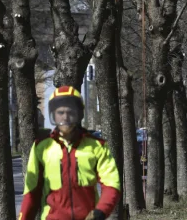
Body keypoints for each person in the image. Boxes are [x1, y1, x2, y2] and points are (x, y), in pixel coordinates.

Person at [18, 86, 120, 220]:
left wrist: (100, 211)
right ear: (53, 114)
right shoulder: (41, 147)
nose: (65, 117)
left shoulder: (97, 146)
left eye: (70, 112)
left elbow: (111, 184)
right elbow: (31, 192)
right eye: (60, 112)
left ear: (79, 114)